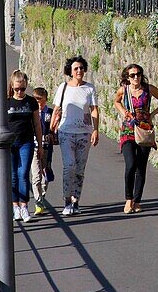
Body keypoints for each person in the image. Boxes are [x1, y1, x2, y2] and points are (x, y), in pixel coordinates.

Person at [114, 64, 158, 214]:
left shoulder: (148, 89)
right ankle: (128, 199)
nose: (136, 77)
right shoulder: (124, 90)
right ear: (127, 77)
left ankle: (137, 201)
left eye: (138, 74)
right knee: (130, 164)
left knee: (141, 166)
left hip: (144, 130)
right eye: (132, 75)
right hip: (128, 130)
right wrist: (124, 111)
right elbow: (116, 101)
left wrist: (152, 114)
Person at [49, 56, 99, 216]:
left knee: (79, 169)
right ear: (70, 71)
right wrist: (51, 130)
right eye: (76, 68)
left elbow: (94, 110)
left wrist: (96, 129)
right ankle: (66, 200)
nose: (79, 71)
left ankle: (76, 200)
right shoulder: (63, 87)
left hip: (84, 133)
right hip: (66, 132)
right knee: (69, 166)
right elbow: (56, 109)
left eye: (82, 68)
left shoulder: (89, 88)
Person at [6, 69, 43, 224]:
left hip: (26, 141)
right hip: (10, 142)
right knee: (13, 175)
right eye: (17, 89)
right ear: (12, 87)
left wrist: (40, 145)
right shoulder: (6, 102)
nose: (20, 92)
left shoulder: (31, 102)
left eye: (23, 89)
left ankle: (24, 205)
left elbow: (36, 124)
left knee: (24, 173)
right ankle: (15, 206)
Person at [30, 85, 54, 215]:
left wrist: (52, 132)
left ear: (45, 99)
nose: (39, 102)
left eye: (41, 100)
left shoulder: (49, 112)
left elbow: (54, 126)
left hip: (47, 147)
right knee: (36, 175)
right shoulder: (31, 113)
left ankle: (42, 196)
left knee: (45, 175)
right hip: (33, 147)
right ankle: (38, 201)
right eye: (36, 100)